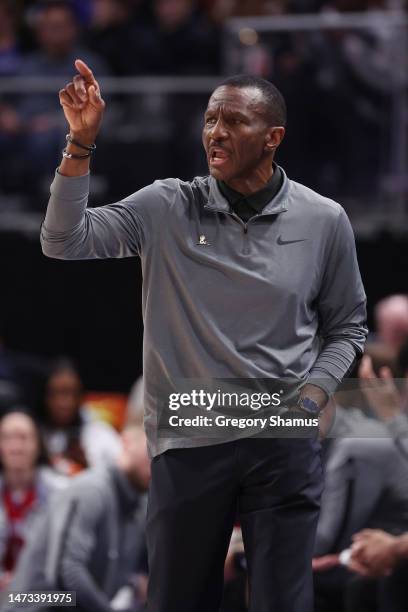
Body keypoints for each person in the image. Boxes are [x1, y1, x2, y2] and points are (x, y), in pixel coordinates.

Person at [40, 60, 367, 612]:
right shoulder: (165, 204)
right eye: (210, 119)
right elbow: (63, 240)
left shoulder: (324, 220)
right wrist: (80, 143)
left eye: (233, 121)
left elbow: (347, 325)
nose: (215, 132)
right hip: (189, 439)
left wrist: (313, 397)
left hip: (281, 441)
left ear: (272, 139)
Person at [1, 423, 150, 612]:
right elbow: (66, 573)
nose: (158, 458)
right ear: (127, 441)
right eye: (151, 446)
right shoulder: (91, 490)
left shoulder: (141, 503)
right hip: (31, 603)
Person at [0, 410, 67, 592]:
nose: (15, 447)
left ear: (38, 443)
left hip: (42, 593)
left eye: (23, 438)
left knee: (70, 598)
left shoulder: (62, 491)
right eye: (6, 438)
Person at [38, 359, 121, 476]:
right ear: (45, 396)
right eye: (56, 393)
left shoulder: (100, 433)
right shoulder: (34, 435)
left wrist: (88, 465)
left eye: (71, 393)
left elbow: (121, 476)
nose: (64, 403)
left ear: (81, 397)